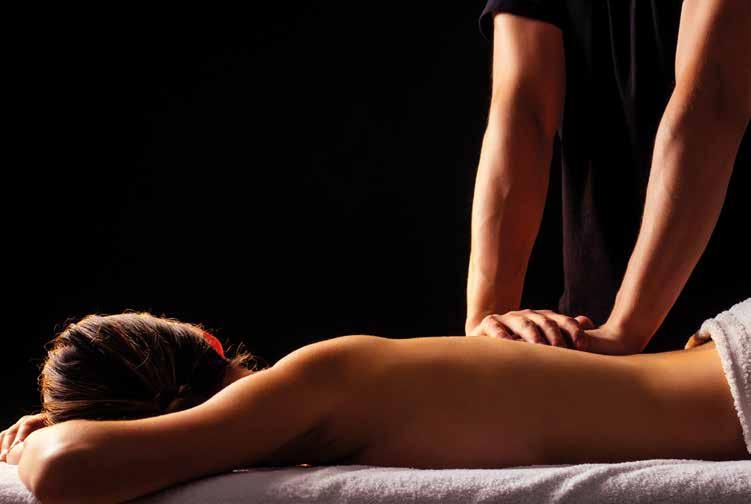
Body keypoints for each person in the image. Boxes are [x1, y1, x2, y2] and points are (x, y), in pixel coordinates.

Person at [1, 311, 747, 503]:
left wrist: (38, 439)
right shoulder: (312, 395)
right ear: (207, 340)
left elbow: (69, 471)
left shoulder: (304, 385)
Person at [466, 0, 751, 354]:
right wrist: (488, 323)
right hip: (591, 325)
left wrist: (625, 329)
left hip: (730, 331)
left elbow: (713, 99)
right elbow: (525, 107)